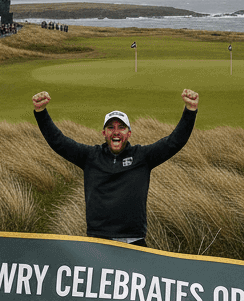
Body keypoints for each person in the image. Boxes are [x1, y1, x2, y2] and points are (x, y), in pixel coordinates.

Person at [32, 88, 199, 246]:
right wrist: (41, 113)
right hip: (98, 240)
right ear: (104, 133)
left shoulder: (142, 156)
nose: (116, 132)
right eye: (111, 127)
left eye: (121, 127)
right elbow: (59, 142)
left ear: (129, 133)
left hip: (135, 241)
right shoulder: (90, 156)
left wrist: (190, 111)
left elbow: (174, 142)